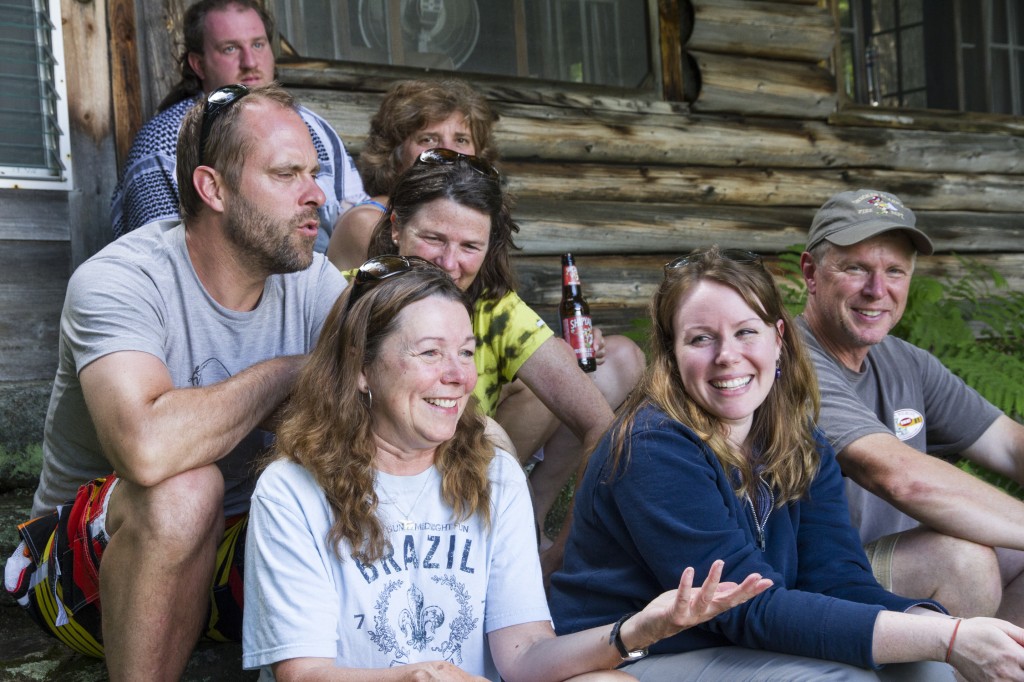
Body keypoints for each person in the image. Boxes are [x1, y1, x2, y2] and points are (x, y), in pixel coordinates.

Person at [242, 255, 772, 681]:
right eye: (430, 353)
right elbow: (303, 671)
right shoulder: (291, 489)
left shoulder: (491, 473)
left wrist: (633, 631)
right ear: (362, 368)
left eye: (466, 352)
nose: (458, 376)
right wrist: (415, 677)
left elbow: (524, 656)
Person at [549, 246, 1024, 680]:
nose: (727, 356)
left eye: (745, 332)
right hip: (643, 654)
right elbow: (738, 608)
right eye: (700, 339)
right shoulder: (652, 446)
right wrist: (949, 637)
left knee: (926, 669)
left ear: (778, 338)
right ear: (672, 354)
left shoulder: (800, 441)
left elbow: (837, 578)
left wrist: (938, 631)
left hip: (739, 639)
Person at [4, 83, 344, 680]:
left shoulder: (316, 282)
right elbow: (148, 449)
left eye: (313, 172)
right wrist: (288, 372)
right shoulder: (120, 280)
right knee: (186, 490)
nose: (316, 194)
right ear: (212, 187)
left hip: (241, 551)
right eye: (288, 173)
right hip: (89, 565)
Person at [362, 150, 644, 561]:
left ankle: (532, 528)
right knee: (486, 432)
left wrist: (560, 557)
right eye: (433, 239)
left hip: (463, 493)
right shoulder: (350, 298)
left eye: (469, 246)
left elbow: (601, 426)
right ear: (395, 229)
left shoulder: (497, 309)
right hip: (369, 503)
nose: (448, 263)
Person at [797, 189, 1024, 624]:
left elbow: (1011, 447)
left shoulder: (906, 361)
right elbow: (901, 479)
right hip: (815, 580)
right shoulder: (783, 360)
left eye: (895, 271)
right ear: (811, 272)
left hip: (889, 562)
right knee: (962, 559)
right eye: (856, 268)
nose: (877, 290)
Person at [110, 0, 366, 252]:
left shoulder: (313, 127)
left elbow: (356, 217)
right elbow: (159, 258)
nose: (250, 62)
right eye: (230, 48)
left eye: (258, 44)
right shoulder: (163, 141)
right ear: (198, 64)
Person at [326, 78, 497, 272]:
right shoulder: (368, 223)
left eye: (461, 140)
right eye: (429, 139)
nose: (449, 153)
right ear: (394, 152)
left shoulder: (474, 220)